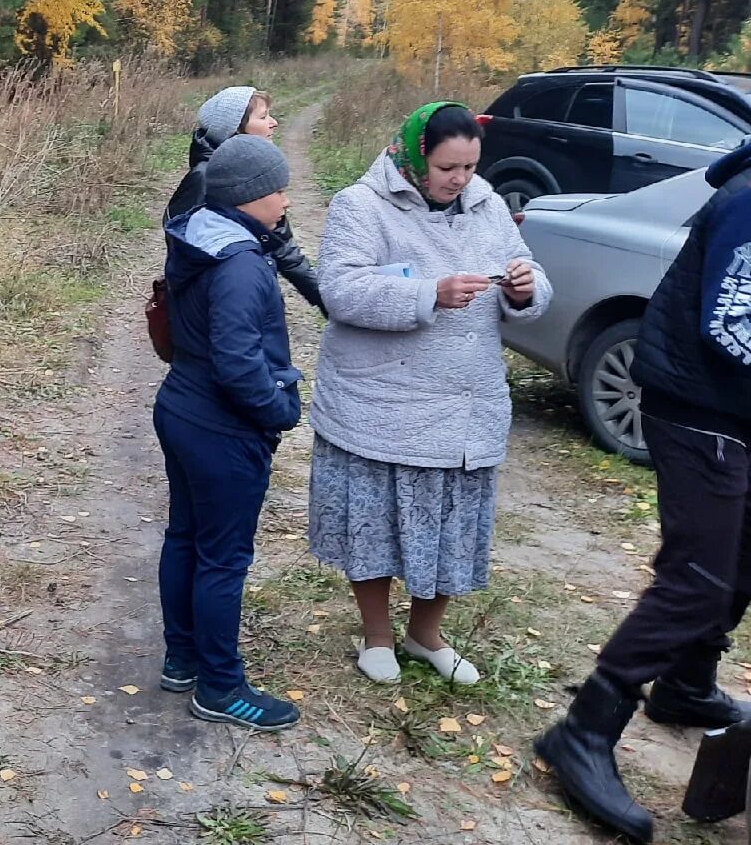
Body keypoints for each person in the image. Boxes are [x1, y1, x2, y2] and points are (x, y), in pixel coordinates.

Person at [535, 137, 751, 844]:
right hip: (699, 409)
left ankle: (686, 686)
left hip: (736, 411)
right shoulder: (749, 201)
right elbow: (730, 323)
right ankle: (584, 729)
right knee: (695, 578)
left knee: (740, 559)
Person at [308, 103, 549, 686]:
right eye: (447, 167)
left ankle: (425, 635)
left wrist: (524, 287)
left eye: (469, 166)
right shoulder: (361, 206)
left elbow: (531, 277)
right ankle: (377, 636)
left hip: (466, 403)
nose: (459, 179)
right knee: (376, 522)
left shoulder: (487, 206)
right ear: (417, 156)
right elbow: (340, 290)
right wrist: (429, 296)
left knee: (452, 525)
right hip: (384, 402)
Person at [155, 133, 303, 729]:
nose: (287, 199)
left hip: (181, 408)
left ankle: (182, 657)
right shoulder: (241, 265)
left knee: (186, 537)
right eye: (278, 188)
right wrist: (278, 411)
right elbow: (239, 361)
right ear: (249, 197)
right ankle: (220, 687)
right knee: (222, 558)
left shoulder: (198, 236)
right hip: (222, 427)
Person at [164, 85, 321, 310]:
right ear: (235, 130)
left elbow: (280, 244)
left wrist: (328, 301)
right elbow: (181, 251)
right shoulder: (203, 178)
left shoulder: (253, 168)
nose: (273, 122)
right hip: (217, 306)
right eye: (263, 117)